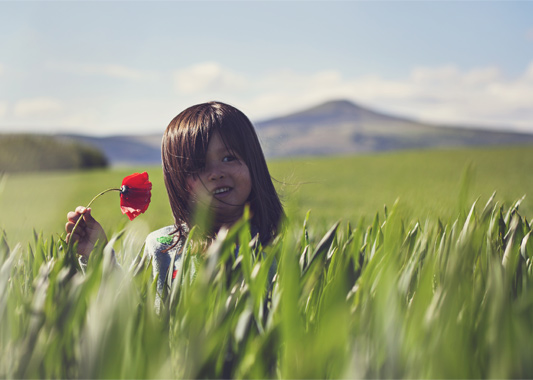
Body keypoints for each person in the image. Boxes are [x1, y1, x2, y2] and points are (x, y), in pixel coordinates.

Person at [65, 101, 284, 301]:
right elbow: (130, 309)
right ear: (178, 182)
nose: (215, 173)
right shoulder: (162, 248)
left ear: (253, 162)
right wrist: (100, 255)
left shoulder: (280, 249)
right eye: (198, 166)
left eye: (228, 158)